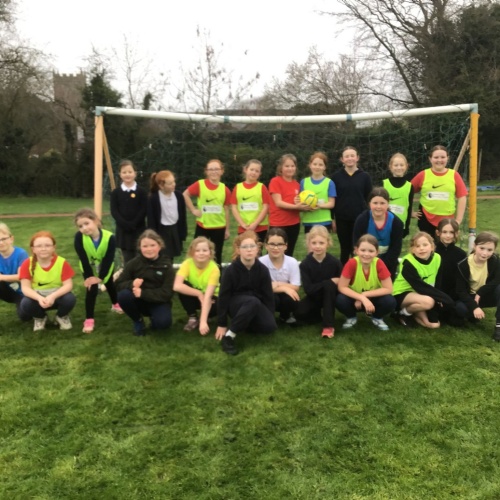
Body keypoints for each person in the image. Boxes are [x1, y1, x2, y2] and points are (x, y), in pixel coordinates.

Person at [215, 230, 277, 355]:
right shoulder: (230, 270)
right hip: (235, 304)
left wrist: (269, 315)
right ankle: (229, 336)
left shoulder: (263, 270)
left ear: (257, 249)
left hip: (255, 304)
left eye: (252, 246)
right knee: (253, 301)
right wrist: (222, 324)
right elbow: (223, 297)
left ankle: (243, 323)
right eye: (245, 247)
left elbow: (268, 296)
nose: (249, 250)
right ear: (238, 250)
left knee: (270, 327)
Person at [74, 208, 123, 334]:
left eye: (87, 223)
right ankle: (89, 319)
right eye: (80, 226)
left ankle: (115, 303)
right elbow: (83, 258)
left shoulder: (110, 237)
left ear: (96, 221)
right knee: (92, 289)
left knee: (109, 283)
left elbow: (108, 258)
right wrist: (90, 277)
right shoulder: (79, 237)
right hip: (88, 267)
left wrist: (101, 277)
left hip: (105, 266)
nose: (84, 228)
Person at [115, 230, 174, 336]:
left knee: (163, 324)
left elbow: (167, 293)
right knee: (123, 296)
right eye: (145, 246)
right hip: (138, 301)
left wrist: (143, 293)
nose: (149, 249)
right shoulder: (133, 263)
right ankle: (138, 320)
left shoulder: (167, 266)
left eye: (152, 245)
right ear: (140, 247)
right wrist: (132, 283)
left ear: (160, 246)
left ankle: (154, 319)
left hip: (158, 301)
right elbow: (118, 284)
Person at [392, 231, 455, 328]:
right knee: (428, 302)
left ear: (432, 247)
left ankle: (413, 312)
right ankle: (401, 313)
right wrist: (444, 298)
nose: (421, 248)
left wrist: (439, 299)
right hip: (402, 293)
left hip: (422, 294)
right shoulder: (408, 262)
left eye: (425, 245)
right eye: (417, 246)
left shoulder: (437, 258)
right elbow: (420, 286)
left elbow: (438, 281)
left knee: (434, 325)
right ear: (412, 250)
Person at [336, 234, 396, 331]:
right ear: (356, 250)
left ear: (377, 252)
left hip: (373, 299)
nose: (366, 254)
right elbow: (342, 287)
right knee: (340, 299)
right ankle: (351, 317)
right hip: (353, 299)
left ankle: (377, 317)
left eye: (371, 251)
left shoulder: (379, 263)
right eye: (363, 250)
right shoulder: (352, 263)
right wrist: (360, 297)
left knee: (390, 301)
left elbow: (389, 289)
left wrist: (365, 295)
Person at [18, 231, 76, 331]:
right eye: (39, 246)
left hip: (57, 296)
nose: (43, 249)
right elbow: (25, 288)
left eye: (47, 245)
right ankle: (40, 317)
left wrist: (53, 296)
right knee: (25, 303)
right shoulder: (27, 263)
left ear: (54, 247)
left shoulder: (61, 262)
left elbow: (68, 285)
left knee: (70, 299)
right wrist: (39, 298)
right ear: (33, 249)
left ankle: (61, 316)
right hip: (38, 297)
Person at [296, 225, 343, 338]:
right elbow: (308, 289)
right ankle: (317, 316)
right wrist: (329, 281)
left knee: (329, 287)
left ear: (328, 243)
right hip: (315, 296)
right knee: (298, 313)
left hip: (332, 296)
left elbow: (343, 283)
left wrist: (331, 284)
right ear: (309, 243)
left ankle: (328, 326)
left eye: (321, 243)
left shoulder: (335, 262)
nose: (317, 246)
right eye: (314, 243)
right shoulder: (305, 264)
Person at [411, 145, 468, 237]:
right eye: (436, 157)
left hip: (447, 220)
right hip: (426, 218)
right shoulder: (423, 174)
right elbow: (406, 192)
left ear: (447, 158)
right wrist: (410, 212)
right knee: (427, 245)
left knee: (445, 244)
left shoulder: (454, 175)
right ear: (430, 159)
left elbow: (462, 197)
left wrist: (458, 220)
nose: (439, 160)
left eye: (442, 157)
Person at [183, 159, 231, 266]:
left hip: (219, 227)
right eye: (211, 169)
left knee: (216, 256)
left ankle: (216, 275)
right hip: (202, 226)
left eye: (217, 169)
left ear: (222, 171)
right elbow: (185, 194)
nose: (214, 172)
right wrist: (193, 209)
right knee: (197, 253)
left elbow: (226, 210)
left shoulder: (225, 189)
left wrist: (227, 229)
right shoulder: (200, 184)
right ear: (206, 171)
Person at [331, 146, 373, 264]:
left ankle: (359, 271)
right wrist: (332, 219)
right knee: (345, 249)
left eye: (352, 156)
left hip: (360, 218)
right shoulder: (336, 177)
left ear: (357, 158)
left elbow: (369, 198)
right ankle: (344, 272)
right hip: (342, 219)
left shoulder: (365, 176)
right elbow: (333, 199)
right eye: (347, 156)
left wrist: (370, 216)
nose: (350, 158)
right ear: (342, 159)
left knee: (358, 247)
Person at [455, 231, 500, 340]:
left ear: (494, 250)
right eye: (482, 248)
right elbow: (460, 291)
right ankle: (472, 314)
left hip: (485, 294)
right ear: (474, 246)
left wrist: (480, 293)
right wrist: (474, 307)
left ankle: (498, 326)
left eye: (489, 250)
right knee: (460, 309)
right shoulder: (463, 265)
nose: (485, 253)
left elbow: (496, 280)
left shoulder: (495, 260)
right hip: (470, 296)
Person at [352, 187, 404, 279]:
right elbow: (356, 243)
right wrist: (367, 261)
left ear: (388, 204)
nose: (378, 207)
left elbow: (395, 249)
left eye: (382, 203)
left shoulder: (396, 222)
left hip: (388, 263)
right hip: (365, 259)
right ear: (369, 204)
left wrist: (380, 265)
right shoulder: (362, 220)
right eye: (375, 203)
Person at [173, 237, 220, 335]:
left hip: (211, 297)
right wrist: (199, 294)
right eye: (197, 250)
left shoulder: (214, 269)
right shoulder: (187, 263)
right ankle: (193, 317)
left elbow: (208, 296)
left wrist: (203, 322)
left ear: (210, 253)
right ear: (192, 253)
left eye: (205, 250)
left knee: (218, 305)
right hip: (196, 295)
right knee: (183, 286)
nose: (201, 253)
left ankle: (206, 317)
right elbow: (176, 286)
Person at [259, 228, 301, 326]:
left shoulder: (292, 262)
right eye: (272, 244)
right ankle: (267, 316)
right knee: (273, 298)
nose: (276, 248)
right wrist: (284, 288)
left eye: (280, 244)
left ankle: (285, 315)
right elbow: (260, 287)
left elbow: (296, 286)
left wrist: (277, 284)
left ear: (286, 246)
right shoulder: (260, 262)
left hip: (282, 293)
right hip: (267, 294)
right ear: (266, 245)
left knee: (292, 298)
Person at [268, 154, 308, 257]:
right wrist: (296, 207)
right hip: (278, 223)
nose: (290, 168)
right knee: (274, 253)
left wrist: (306, 206)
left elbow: (299, 203)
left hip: (294, 224)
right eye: (287, 166)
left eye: (292, 166)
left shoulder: (297, 185)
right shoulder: (275, 181)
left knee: (288, 253)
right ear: (280, 168)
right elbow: (278, 202)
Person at [110, 159, 147, 264]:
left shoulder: (142, 192)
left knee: (140, 258)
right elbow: (114, 211)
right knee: (127, 260)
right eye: (124, 172)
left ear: (135, 173)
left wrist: (133, 223)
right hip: (123, 231)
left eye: (130, 172)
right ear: (120, 174)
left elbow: (144, 210)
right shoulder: (116, 193)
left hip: (138, 230)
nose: (127, 174)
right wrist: (125, 224)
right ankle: (129, 274)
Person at [147, 170, 187, 260]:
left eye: (174, 182)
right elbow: (151, 219)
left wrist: (183, 233)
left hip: (175, 229)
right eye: (170, 183)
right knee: (162, 256)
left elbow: (183, 216)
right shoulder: (153, 198)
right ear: (161, 186)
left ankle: (169, 268)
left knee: (171, 256)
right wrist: (153, 236)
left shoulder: (178, 196)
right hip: (161, 231)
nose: (174, 185)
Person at [434, 218, 467, 325]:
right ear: (438, 233)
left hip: (453, 294)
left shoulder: (461, 254)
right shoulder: (432, 251)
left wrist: (452, 297)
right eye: (444, 232)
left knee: (459, 315)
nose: (448, 235)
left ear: (456, 233)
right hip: (435, 292)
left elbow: (461, 279)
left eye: (451, 232)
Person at [230, 159, 270, 243]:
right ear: (245, 169)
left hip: (260, 227)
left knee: (257, 250)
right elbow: (234, 208)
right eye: (251, 169)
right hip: (243, 227)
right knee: (244, 249)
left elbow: (265, 207)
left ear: (260, 174)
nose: (254, 172)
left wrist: (255, 224)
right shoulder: (238, 187)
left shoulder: (262, 187)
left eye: (257, 171)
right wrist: (242, 223)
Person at [299, 151, 336, 233]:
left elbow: (331, 204)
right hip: (308, 221)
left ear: (324, 167)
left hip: (324, 221)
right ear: (310, 165)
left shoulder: (329, 183)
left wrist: (318, 205)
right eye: (315, 164)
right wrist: (303, 206)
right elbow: (300, 201)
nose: (317, 167)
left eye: (320, 165)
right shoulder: (304, 182)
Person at [382, 152, 414, 237]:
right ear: (390, 167)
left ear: (406, 166)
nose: (399, 167)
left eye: (401, 165)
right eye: (396, 165)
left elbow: (409, 208)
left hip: (400, 225)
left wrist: (406, 227)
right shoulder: (384, 184)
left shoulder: (409, 186)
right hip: (385, 224)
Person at [0, 222, 28, 309]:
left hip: (24, 291)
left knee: (25, 315)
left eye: (4, 239)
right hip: (8, 291)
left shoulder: (21, 254)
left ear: (11, 239)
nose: (1, 243)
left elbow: (21, 277)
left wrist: (1, 277)